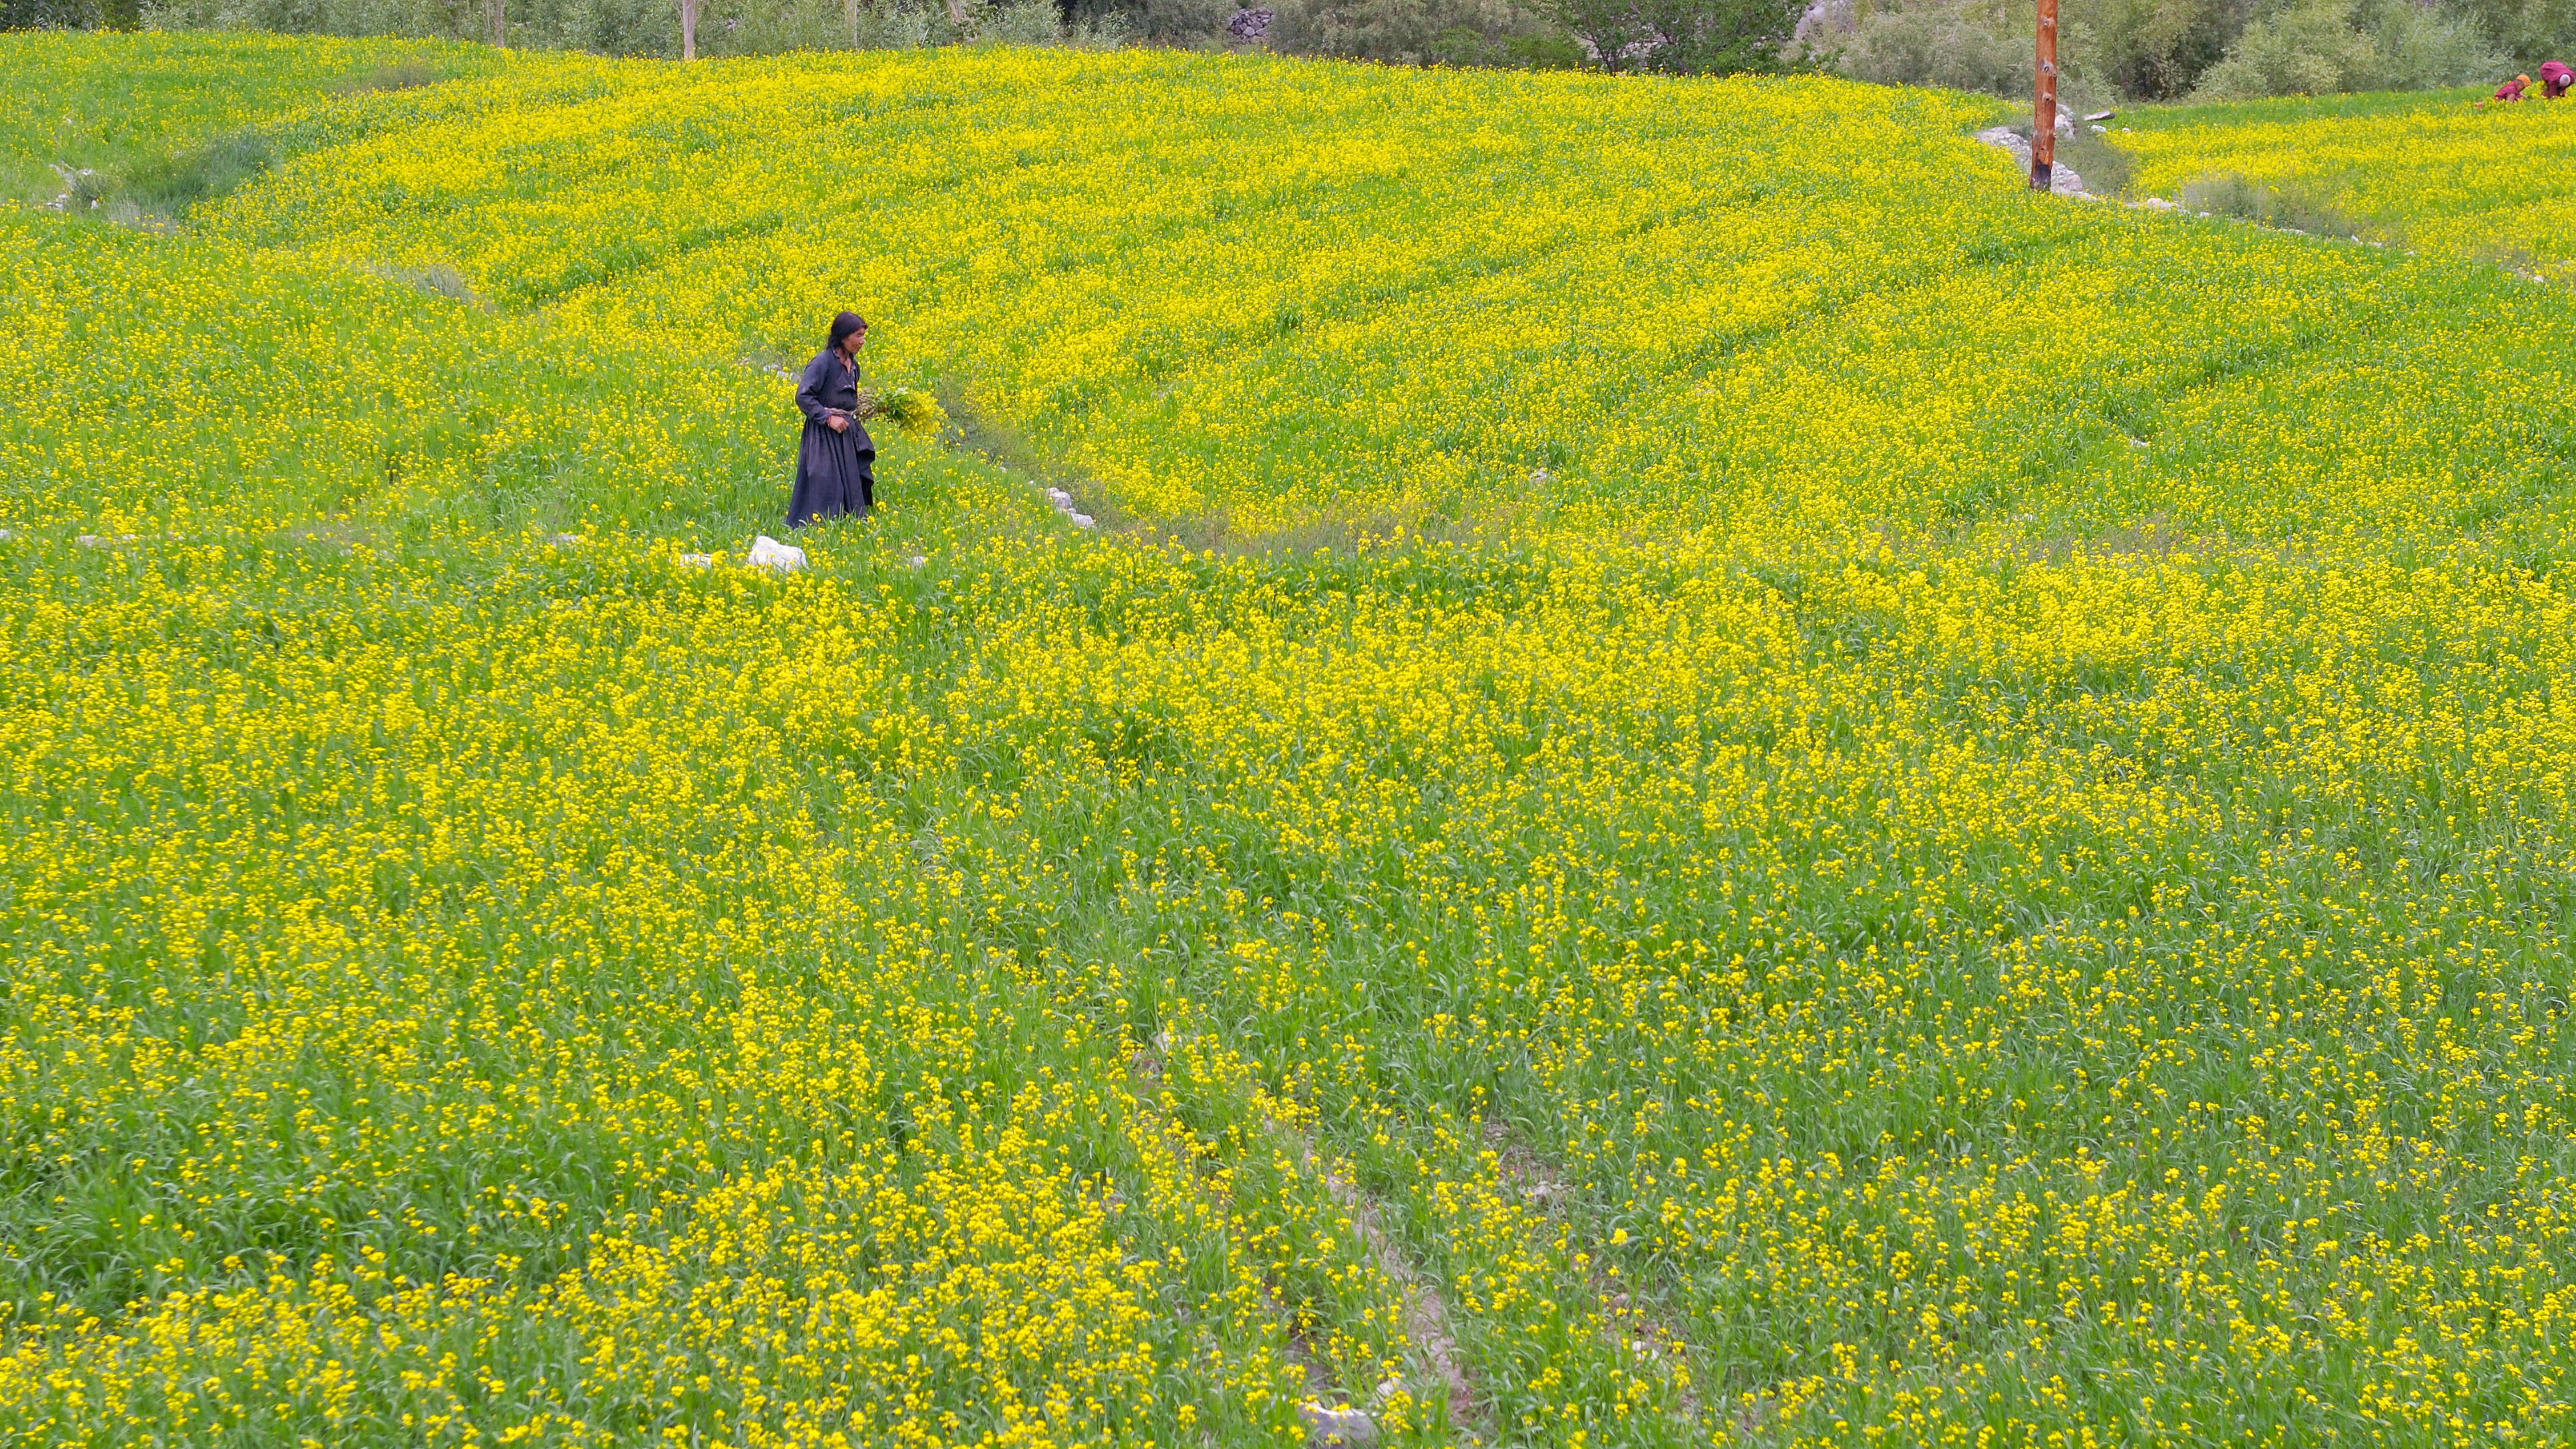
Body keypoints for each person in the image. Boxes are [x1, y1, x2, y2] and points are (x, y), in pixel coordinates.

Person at [787, 311, 874, 527]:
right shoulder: (822, 363)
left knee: (850, 479)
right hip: (823, 433)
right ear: (843, 336)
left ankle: (846, 524)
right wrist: (828, 418)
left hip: (845, 432)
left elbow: (846, 401)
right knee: (824, 478)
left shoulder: (853, 366)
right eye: (858, 336)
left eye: (863, 336)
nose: (862, 341)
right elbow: (803, 396)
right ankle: (817, 524)